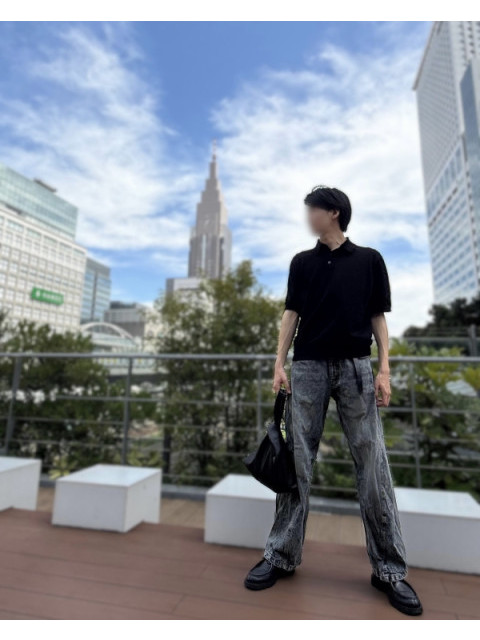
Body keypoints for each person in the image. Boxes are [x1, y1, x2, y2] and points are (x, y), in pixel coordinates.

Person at [244, 185, 423, 617]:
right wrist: (278, 363)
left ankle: (389, 570)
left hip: (356, 368)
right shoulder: (301, 263)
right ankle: (280, 555)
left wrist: (384, 369)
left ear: (334, 213)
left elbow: (378, 316)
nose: (307, 216)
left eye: (313, 209)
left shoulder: (369, 260)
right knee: (297, 462)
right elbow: (291, 314)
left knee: (372, 465)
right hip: (307, 368)